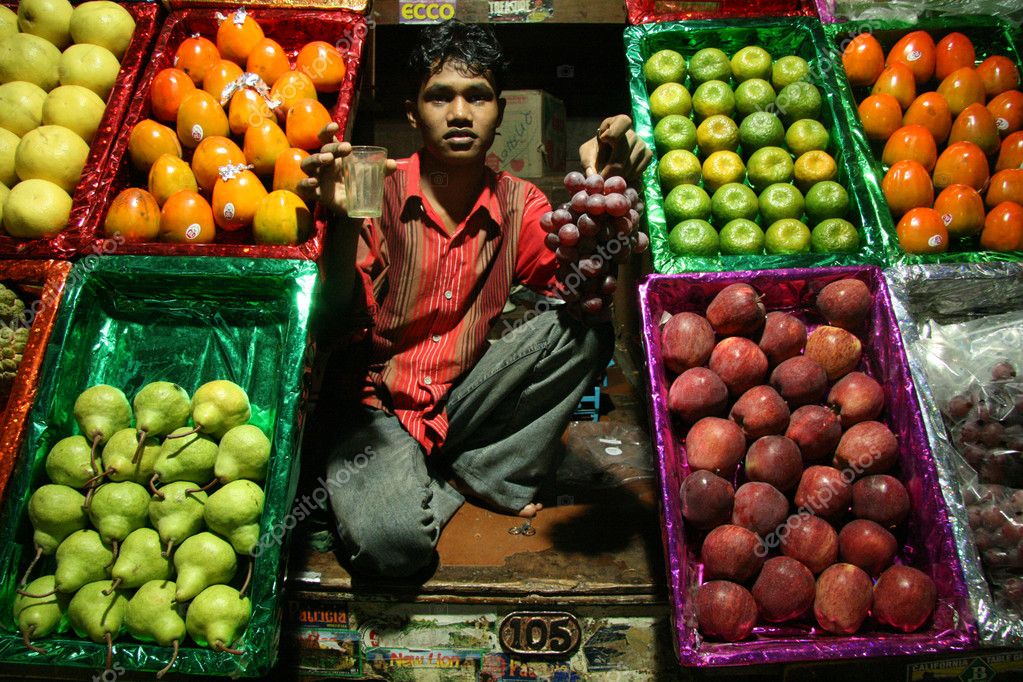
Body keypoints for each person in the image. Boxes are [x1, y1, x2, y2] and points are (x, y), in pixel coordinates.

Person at [300, 19, 651, 578]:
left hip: (463, 401)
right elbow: (332, 322)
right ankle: (459, 477)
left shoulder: (517, 202)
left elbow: (581, 292)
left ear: (499, 111)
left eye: (477, 97)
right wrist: (340, 225)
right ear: (413, 112)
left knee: (585, 328)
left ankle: (472, 472)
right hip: (377, 413)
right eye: (440, 97)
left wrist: (609, 189)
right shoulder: (372, 190)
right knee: (395, 548)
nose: (460, 113)